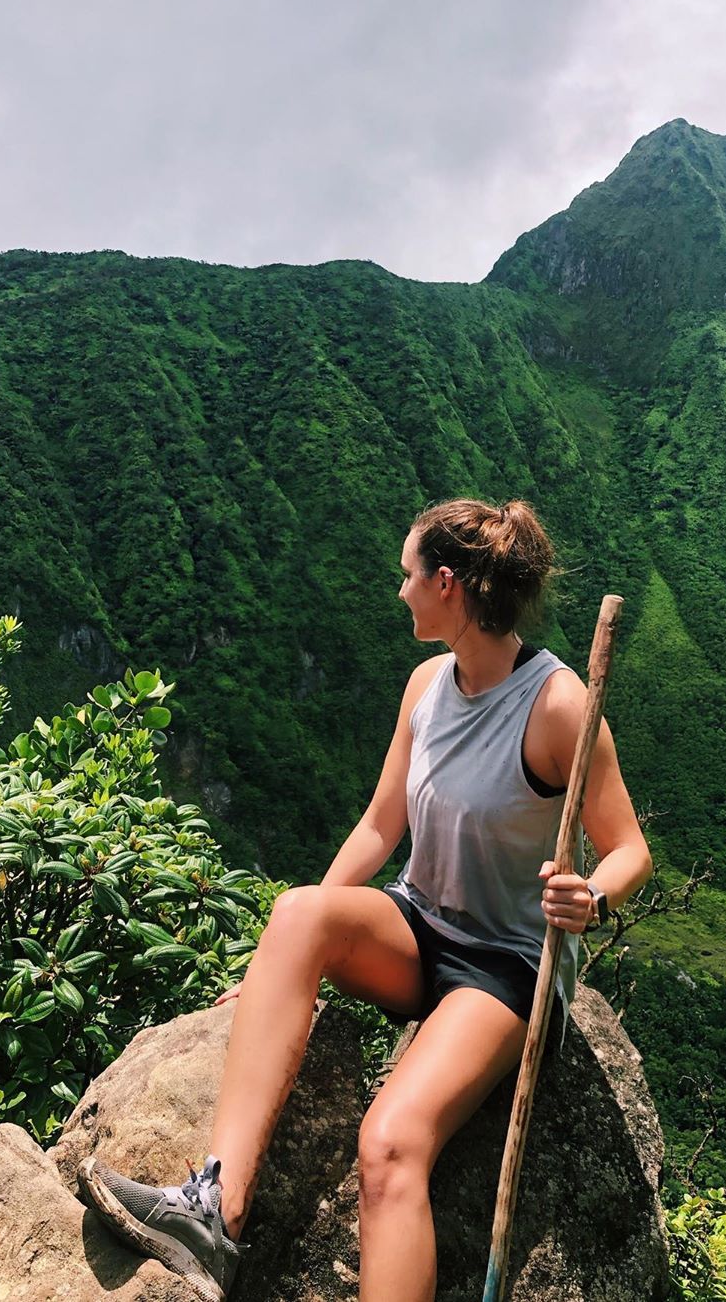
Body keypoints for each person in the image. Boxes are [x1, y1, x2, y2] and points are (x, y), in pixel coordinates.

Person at [79, 498, 653, 1302]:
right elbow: (382, 826)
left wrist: (591, 894)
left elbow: (631, 849)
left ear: (447, 584)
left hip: (507, 968)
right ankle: (214, 1211)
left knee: (388, 1143)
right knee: (296, 915)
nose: (400, 592)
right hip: (419, 926)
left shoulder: (556, 706)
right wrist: (283, 962)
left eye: (407, 575)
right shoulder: (426, 686)